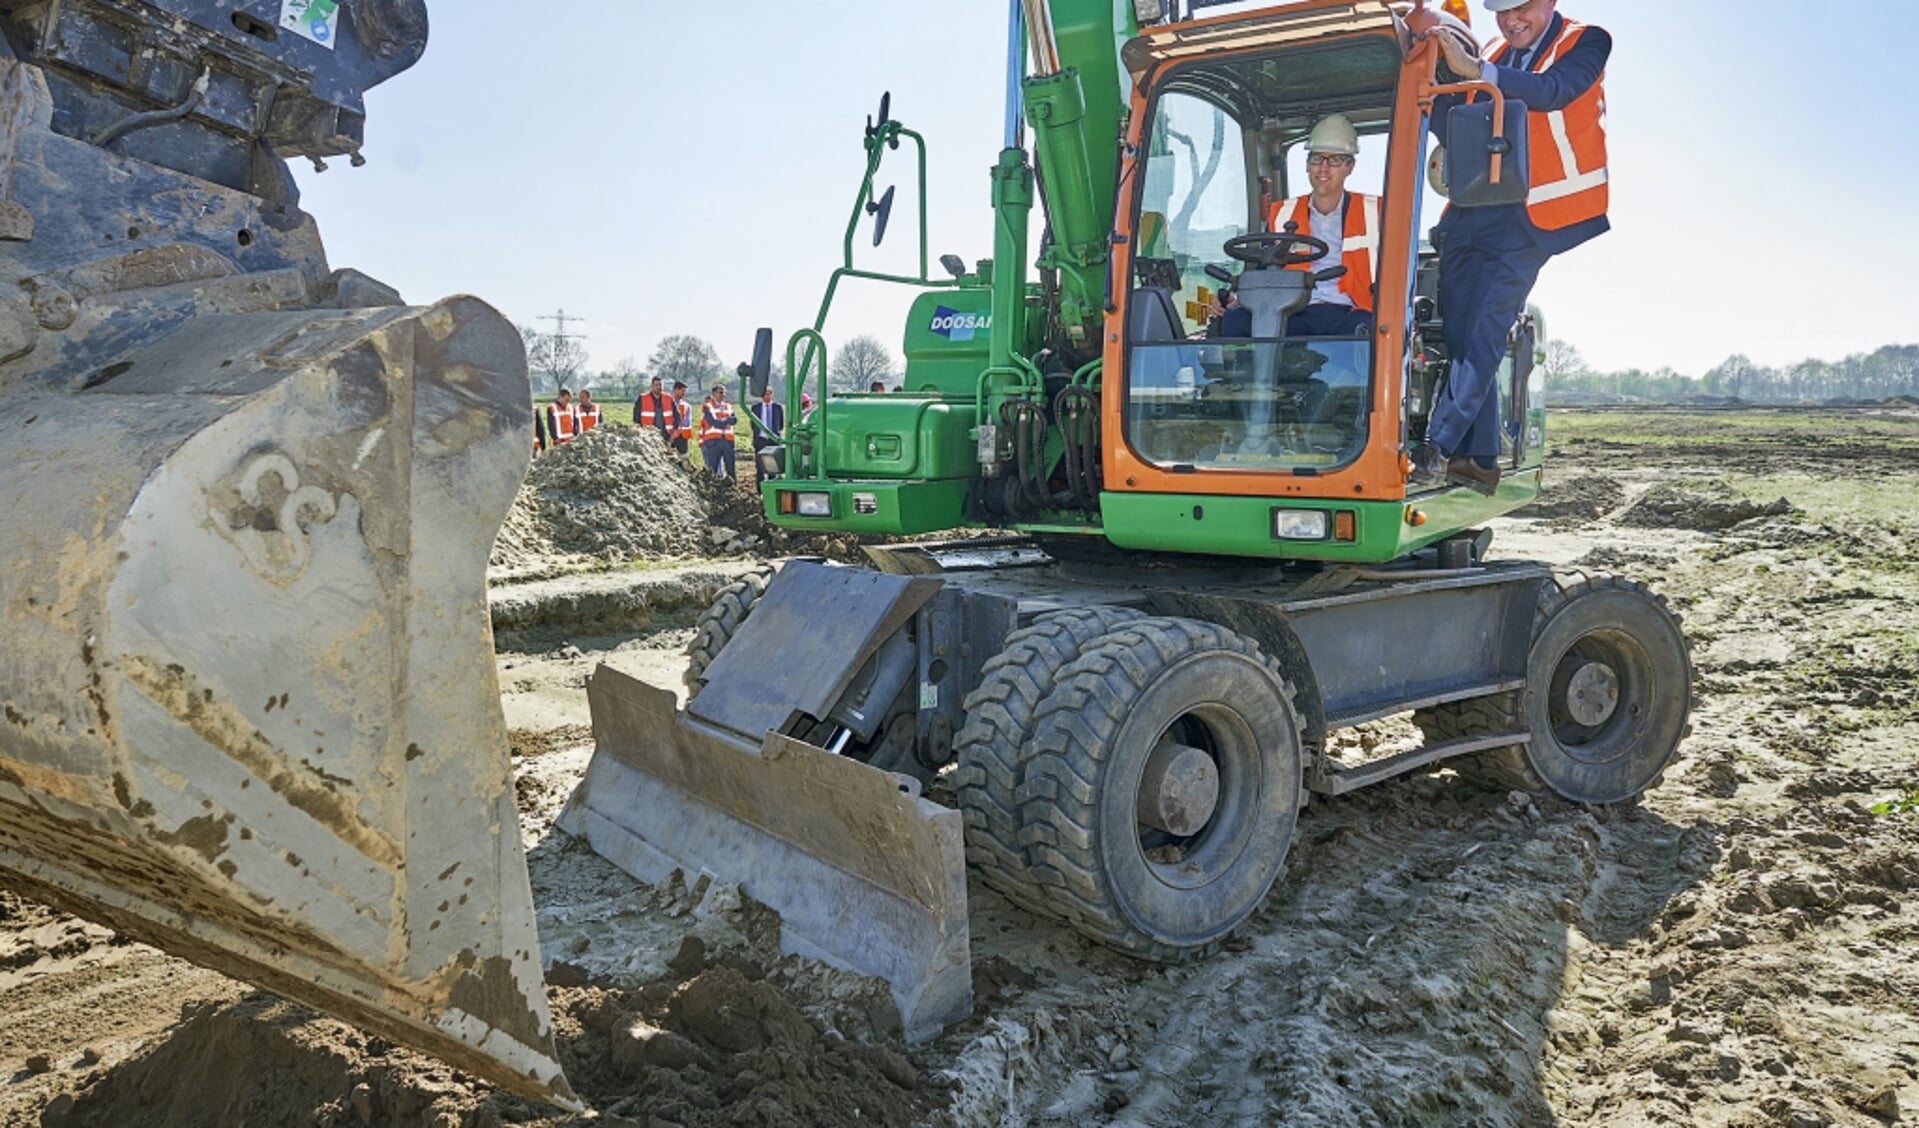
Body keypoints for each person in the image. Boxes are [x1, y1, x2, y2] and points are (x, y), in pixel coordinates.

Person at [1414, 0, 1609, 495]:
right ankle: (1480, 460)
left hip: (1533, 216)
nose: (1510, 21)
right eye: (1501, 12)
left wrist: (1476, 70)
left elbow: (1552, 92)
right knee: (1460, 336)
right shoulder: (1496, 52)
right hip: (1471, 212)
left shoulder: (1588, 42)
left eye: (1520, 8)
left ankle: (1435, 447)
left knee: (1483, 331)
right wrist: (1431, 71)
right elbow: (1455, 123)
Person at [1266, 113, 1379, 338]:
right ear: (1307, 165)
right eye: (1317, 158)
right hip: (1294, 310)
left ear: (1350, 167)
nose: (1324, 168)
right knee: (1236, 321)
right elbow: (1266, 265)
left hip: (1350, 310)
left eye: (1335, 160)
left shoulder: (1375, 212)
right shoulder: (1282, 214)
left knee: (1365, 330)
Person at [698, 383, 737, 478]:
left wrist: (725, 421)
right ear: (714, 394)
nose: (723, 395)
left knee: (731, 468)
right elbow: (713, 422)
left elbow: (735, 420)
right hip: (714, 442)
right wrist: (727, 420)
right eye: (720, 392)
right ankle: (712, 490)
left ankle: (733, 488)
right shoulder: (708, 407)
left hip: (727, 441)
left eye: (724, 393)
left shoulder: (728, 406)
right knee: (712, 470)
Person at [634, 376, 675, 444]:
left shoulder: (669, 398)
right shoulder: (642, 398)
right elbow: (636, 418)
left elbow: (677, 416)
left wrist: (673, 433)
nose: (659, 387)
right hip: (648, 436)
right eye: (656, 385)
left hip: (666, 436)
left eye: (660, 385)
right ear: (651, 386)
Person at [669, 380, 692, 457]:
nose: (684, 393)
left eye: (684, 391)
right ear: (675, 390)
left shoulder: (686, 406)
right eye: (682, 391)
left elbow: (687, 422)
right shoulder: (667, 403)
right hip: (669, 436)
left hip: (682, 437)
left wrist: (679, 423)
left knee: (683, 458)